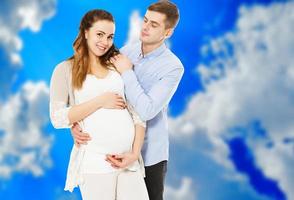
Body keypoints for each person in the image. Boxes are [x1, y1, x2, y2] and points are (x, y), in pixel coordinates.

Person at [72, 1, 184, 200]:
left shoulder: (173, 67)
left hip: (149, 156)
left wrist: (127, 71)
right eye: (146, 20)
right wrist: (76, 123)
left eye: (154, 25)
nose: (145, 27)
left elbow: (147, 110)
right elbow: (98, 90)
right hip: (114, 152)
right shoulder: (125, 52)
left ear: (167, 33)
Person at [49, 9, 149, 200]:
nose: (105, 42)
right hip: (95, 162)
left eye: (110, 37)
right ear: (86, 32)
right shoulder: (65, 70)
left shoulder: (118, 65)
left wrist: (134, 154)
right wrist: (100, 101)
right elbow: (58, 117)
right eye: (100, 34)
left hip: (128, 160)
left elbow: (138, 114)